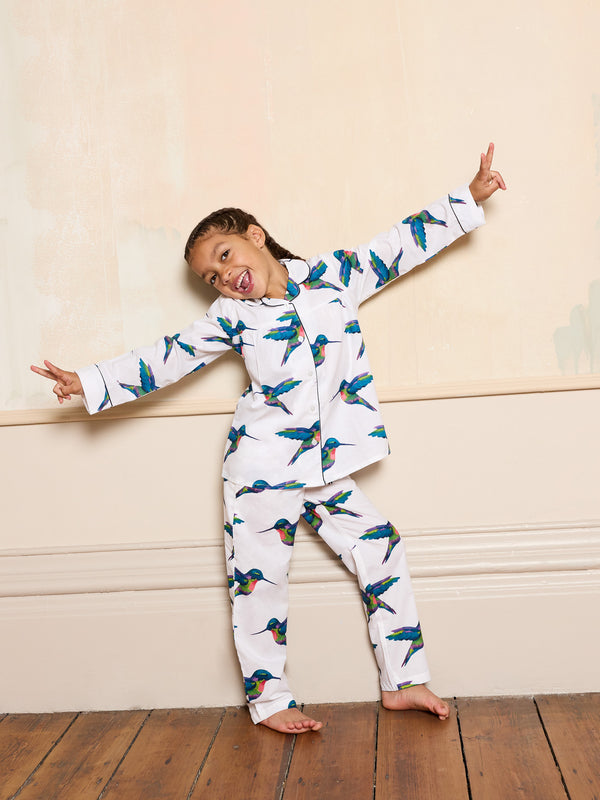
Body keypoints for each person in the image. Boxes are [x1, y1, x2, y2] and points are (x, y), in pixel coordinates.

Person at [31, 143, 505, 734]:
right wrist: (91, 381)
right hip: (262, 466)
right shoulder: (232, 317)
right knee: (260, 582)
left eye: (224, 255)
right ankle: (271, 701)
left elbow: (396, 246)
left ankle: (403, 681)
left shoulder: (333, 279)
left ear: (256, 235)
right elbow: (167, 357)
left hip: (327, 464)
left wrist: (469, 198)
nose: (224, 275)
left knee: (381, 547)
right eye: (211, 275)